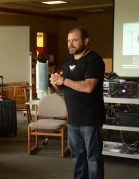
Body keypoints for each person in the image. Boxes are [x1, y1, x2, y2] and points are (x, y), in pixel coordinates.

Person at [50, 27, 105, 179]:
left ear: (85, 41)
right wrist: (56, 82)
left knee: (93, 158)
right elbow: (62, 85)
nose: (70, 44)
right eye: (68, 41)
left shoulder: (94, 60)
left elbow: (88, 87)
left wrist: (64, 80)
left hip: (90, 119)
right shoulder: (69, 61)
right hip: (73, 118)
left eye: (74, 40)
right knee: (77, 156)